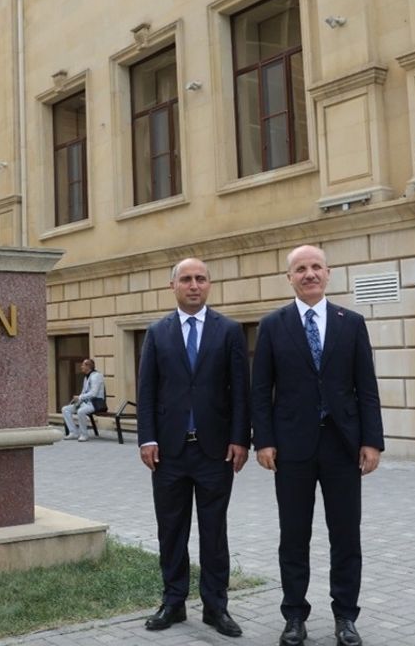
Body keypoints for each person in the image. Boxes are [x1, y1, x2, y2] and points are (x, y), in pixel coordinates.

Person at [251, 245, 384, 646]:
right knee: (293, 536)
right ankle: (294, 617)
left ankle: (345, 616)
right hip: (291, 448)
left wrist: (371, 441)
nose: (309, 274)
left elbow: (367, 388)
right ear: (289, 278)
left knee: (346, 535)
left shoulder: (351, 322)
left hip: (343, 447)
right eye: (300, 269)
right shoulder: (273, 324)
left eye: (315, 268)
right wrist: (264, 441)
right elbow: (261, 390)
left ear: (328, 274)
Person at [136, 257, 249, 635]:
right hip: (168, 453)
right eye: (186, 279)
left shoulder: (229, 331)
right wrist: (147, 438)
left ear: (209, 285)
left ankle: (216, 608)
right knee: (171, 530)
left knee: (214, 532)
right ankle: (173, 602)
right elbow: (147, 391)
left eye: (201, 278)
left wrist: (240, 439)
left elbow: (240, 392)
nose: (194, 284)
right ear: (174, 286)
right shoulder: (157, 332)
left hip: (215, 452)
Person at [61, 358, 105, 442]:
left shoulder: (96, 376)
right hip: (85, 403)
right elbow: (84, 392)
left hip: (95, 403)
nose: (81, 367)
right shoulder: (86, 377)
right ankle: (73, 432)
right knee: (65, 409)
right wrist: (77, 400)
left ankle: (84, 434)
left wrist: (80, 397)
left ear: (88, 366)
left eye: (83, 365)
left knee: (81, 411)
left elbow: (94, 393)